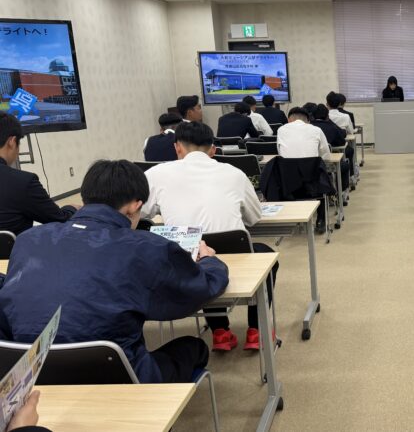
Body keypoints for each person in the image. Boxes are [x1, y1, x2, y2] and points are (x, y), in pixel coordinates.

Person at [0, 159, 228, 383]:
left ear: (84, 198)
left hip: (31, 375)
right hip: (119, 376)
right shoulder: (146, 247)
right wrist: (209, 261)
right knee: (194, 347)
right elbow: (199, 290)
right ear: (135, 206)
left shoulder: (28, 240)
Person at [142, 121, 276, 352]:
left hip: (183, 264)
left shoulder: (156, 174)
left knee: (195, 251)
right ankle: (256, 330)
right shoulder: (235, 173)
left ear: (177, 147)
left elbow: (140, 213)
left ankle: (220, 332)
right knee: (266, 256)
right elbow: (254, 217)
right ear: (213, 149)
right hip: (236, 257)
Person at [0, 113, 77, 236]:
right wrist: (72, 208)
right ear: (12, 142)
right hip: (16, 249)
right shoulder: (23, 182)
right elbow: (59, 220)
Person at [312, 104, 351, 189]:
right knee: (344, 165)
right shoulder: (331, 127)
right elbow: (342, 142)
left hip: (311, 164)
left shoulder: (310, 127)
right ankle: (342, 191)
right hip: (326, 163)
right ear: (327, 116)